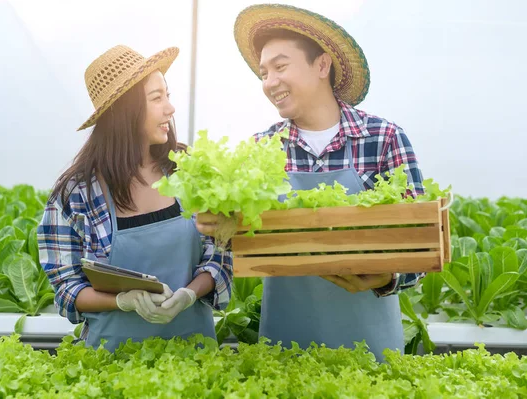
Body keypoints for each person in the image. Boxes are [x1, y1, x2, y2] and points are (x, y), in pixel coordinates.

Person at [197, 4, 425, 361]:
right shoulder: (261, 149)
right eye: (263, 72)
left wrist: (387, 277)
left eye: (280, 67)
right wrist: (220, 231)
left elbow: (419, 247)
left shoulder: (383, 138)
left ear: (322, 65)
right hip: (287, 344)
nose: (269, 82)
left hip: (371, 345)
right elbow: (235, 251)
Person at [37, 44, 233, 353]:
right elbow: (67, 287)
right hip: (110, 365)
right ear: (124, 112)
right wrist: (121, 301)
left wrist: (188, 295)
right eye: (157, 98)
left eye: (167, 95)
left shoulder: (191, 169)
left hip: (196, 359)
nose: (170, 108)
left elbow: (219, 254)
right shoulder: (76, 194)